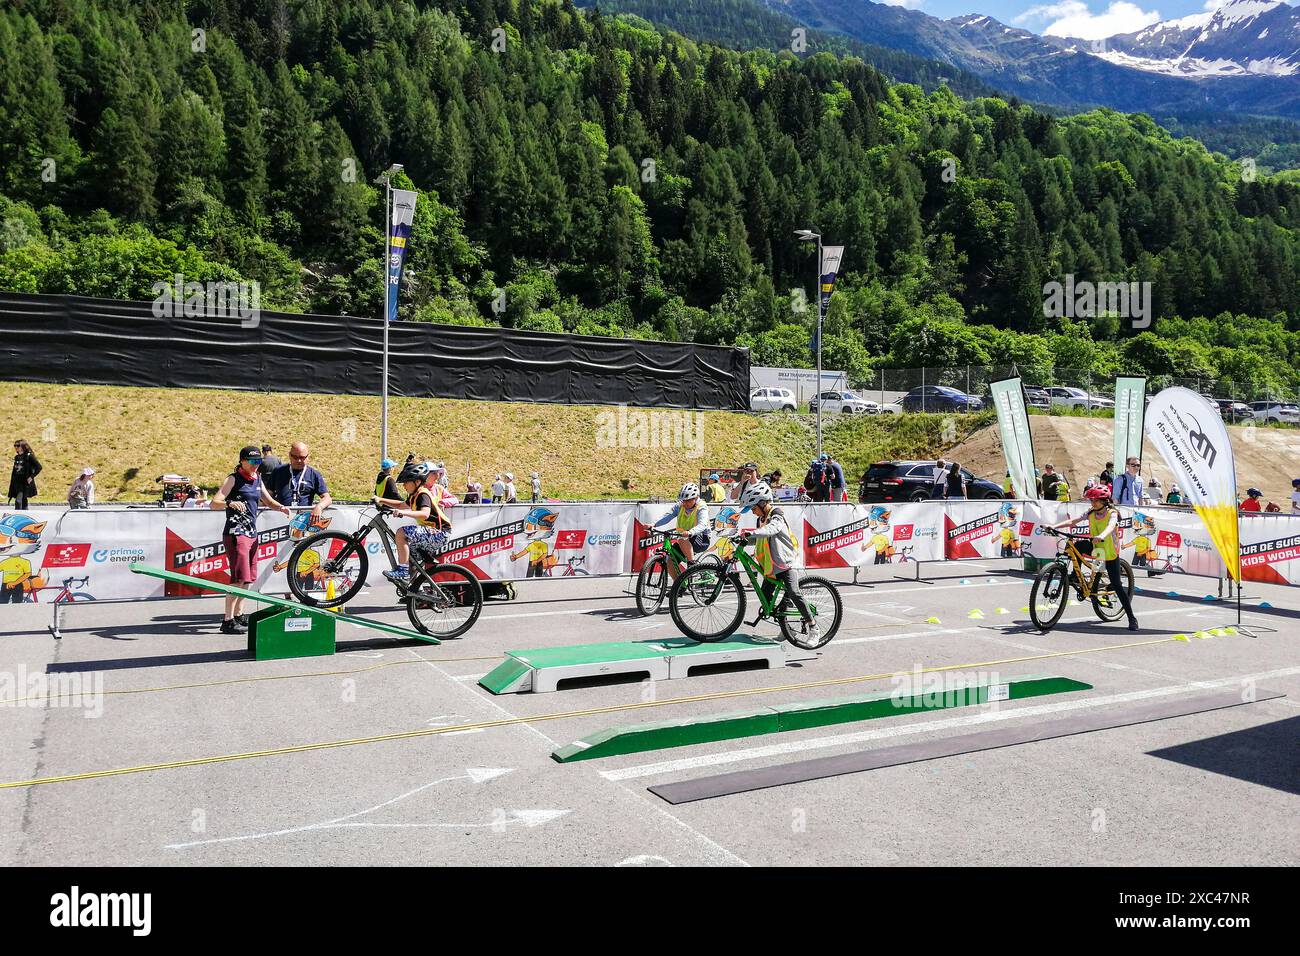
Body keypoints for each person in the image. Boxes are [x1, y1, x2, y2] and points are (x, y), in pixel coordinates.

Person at [212, 446, 291, 634]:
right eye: (253, 462)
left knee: (249, 578)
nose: (256, 466)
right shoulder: (233, 479)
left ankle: (239, 614)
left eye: (258, 462)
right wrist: (229, 502)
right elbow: (214, 503)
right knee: (239, 578)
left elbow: (268, 501)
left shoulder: (258, 479)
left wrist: (281, 508)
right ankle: (227, 620)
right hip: (236, 533)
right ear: (242, 461)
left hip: (252, 533)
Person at [737, 481, 818, 644]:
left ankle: (813, 627)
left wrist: (752, 533)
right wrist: (745, 539)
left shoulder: (777, 513)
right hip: (772, 566)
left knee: (794, 593)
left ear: (762, 502)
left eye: (753, 508)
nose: (752, 512)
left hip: (786, 563)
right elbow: (761, 538)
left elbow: (772, 529)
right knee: (765, 598)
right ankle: (786, 626)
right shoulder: (761, 519)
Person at [1052, 484, 1138, 631]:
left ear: (1104, 501)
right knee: (1078, 546)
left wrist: (1101, 536)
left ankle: (1132, 618)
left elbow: (1111, 526)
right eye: (1091, 500)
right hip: (1096, 547)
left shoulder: (1112, 513)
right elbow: (1074, 521)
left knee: (1117, 585)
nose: (1092, 503)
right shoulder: (1091, 512)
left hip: (1109, 551)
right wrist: (1054, 526)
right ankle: (1075, 576)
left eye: (1095, 500)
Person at [375, 461, 452, 582]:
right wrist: (381, 500)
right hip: (434, 532)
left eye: (406, 483)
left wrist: (403, 513)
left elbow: (424, 514)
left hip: (440, 533)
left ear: (417, 482)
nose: (404, 486)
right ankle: (415, 590)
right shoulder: (414, 495)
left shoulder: (423, 494)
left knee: (401, 533)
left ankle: (402, 571)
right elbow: (401, 505)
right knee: (412, 560)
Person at [653, 483, 712, 578]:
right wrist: (653, 524)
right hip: (685, 538)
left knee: (681, 539)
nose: (685, 503)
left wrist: (690, 532)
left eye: (688, 501)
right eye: (683, 501)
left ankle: (692, 566)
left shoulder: (702, 507)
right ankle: (679, 587)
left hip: (702, 538)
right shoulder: (680, 506)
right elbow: (668, 516)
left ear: (696, 498)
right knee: (670, 561)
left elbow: (703, 524)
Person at [269, 442, 332, 523]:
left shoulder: (314, 474)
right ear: (289, 455)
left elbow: (327, 498)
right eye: (295, 457)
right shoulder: (278, 471)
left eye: (302, 458)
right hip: (280, 518)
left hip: (303, 520)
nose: (299, 460)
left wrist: (319, 507)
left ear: (308, 457)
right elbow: (268, 495)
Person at [8, 439, 41, 509]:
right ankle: (25, 515)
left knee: (18, 501)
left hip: (24, 483)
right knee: (23, 501)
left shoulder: (29, 456)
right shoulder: (16, 457)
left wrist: (31, 477)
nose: (16, 447)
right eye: (15, 446)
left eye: (18, 445)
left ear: (23, 446)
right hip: (16, 483)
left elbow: (39, 467)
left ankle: (18, 516)